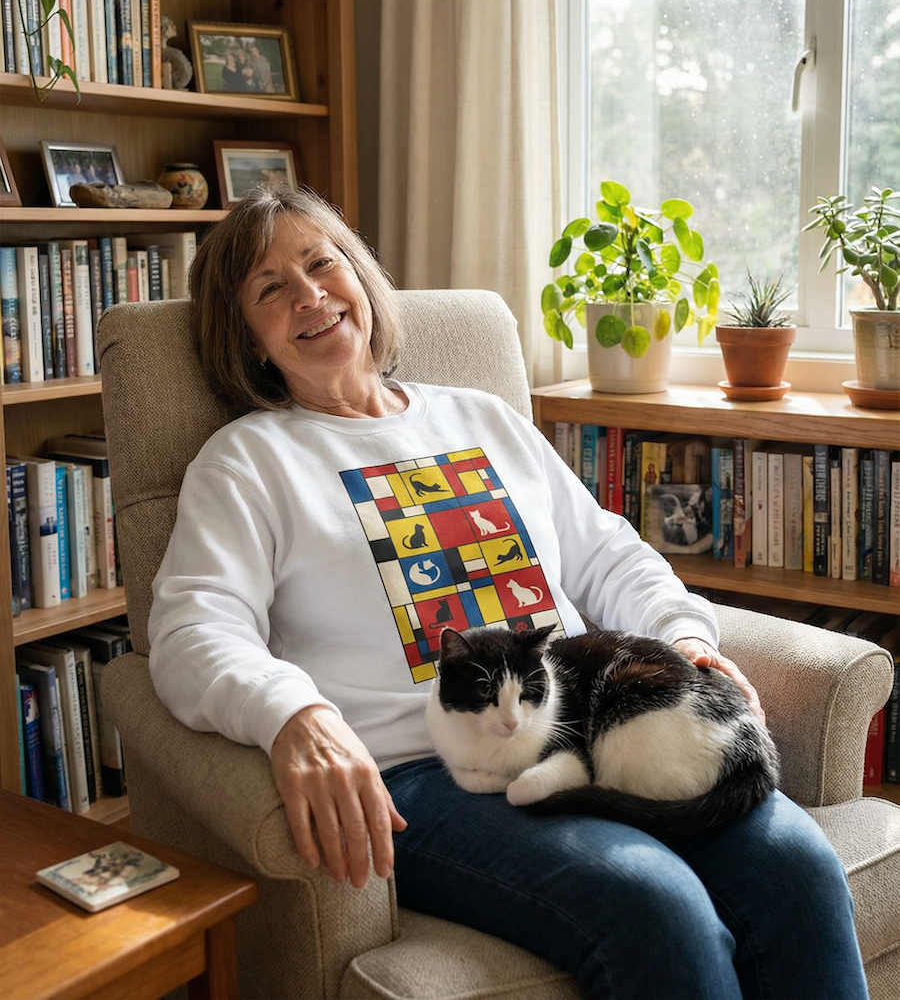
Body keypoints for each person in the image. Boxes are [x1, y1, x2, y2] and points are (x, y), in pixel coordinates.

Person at [148, 186, 869, 1000]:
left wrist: (684, 639)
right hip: (427, 775)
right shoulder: (246, 461)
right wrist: (293, 714)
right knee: (656, 901)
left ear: (361, 277)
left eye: (322, 262)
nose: (309, 294)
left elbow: (607, 554)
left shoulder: (480, 417)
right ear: (243, 334)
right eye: (270, 288)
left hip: (576, 723)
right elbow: (189, 632)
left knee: (798, 864)